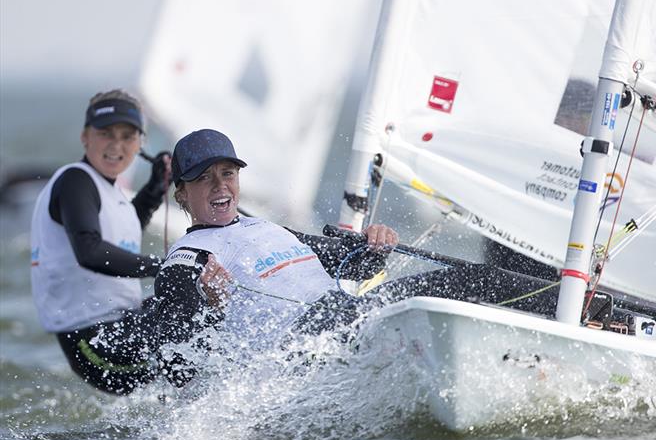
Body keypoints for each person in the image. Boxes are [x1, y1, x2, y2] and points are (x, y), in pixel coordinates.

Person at [153, 129, 560, 365]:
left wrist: (374, 247)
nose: (220, 186)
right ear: (183, 195)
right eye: (204, 179)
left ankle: (571, 314)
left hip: (347, 317)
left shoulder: (266, 227)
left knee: (468, 279)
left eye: (227, 173)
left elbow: (352, 264)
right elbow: (174, 314)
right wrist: (209, 302)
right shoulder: (189, 256)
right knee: (444, 295)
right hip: (305, 345)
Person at [30, 89, 173, 395]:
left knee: (194, 302)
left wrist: (154, 188)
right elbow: (90, 251)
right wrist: (162, 267)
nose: (116, 145)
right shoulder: (75, 181)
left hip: (123, 325)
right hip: (93, 344)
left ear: (139, 143)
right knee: (191, 327)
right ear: (85, 137)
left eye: (127, 136)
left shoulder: (107, 191)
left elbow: (122, 228)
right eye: (106, 133)